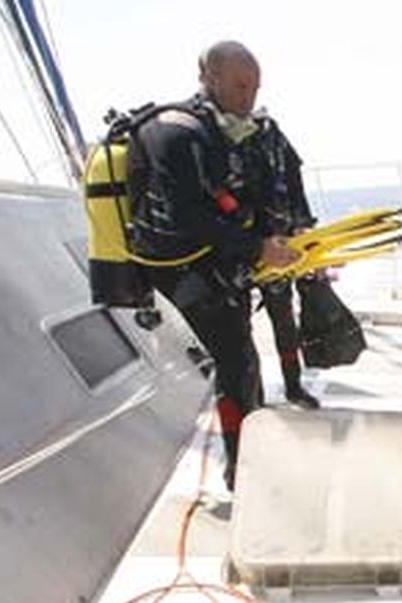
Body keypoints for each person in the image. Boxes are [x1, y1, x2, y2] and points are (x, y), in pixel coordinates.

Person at [126, 40, 297, 488]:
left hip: (218, 262)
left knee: (241, 354)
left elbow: (250, 198)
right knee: (232, 359)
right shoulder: (172, 132)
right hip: (178, 268)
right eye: (240, 86)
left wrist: (271, 235)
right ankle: (242, 468)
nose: (249, 98)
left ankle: (252, 449)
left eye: (255, 87)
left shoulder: (232, 134)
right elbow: (185, 214)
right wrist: (258, 249)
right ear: (208, 75)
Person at [242, 111, 320, 409]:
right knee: (240, 330)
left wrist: (303, 225)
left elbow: (293, 180)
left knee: (284, 321)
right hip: (239, 250)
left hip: (277, 244)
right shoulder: (210, 139)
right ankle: (254, 397)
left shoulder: (270, 136)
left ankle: (293, 386)